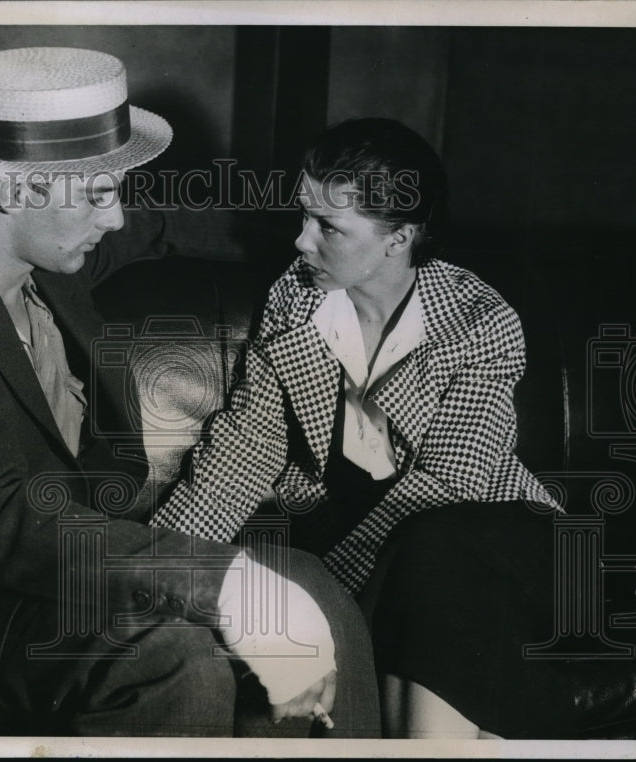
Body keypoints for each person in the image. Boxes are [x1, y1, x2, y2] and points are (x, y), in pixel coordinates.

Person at [0, 47, 380, 737]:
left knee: (315, 587)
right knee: (175, 654)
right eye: (100, 193)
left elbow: (165, 222)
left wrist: (345, 249)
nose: (113, 218)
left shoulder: (37, 254)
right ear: (20, 191)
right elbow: (3, 523)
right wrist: (227, 581)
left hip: (59, 579)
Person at [151, 117, 565, 737]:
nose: (300, 242)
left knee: (431, 552)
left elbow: (452, 482)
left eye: (328, 227)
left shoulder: (480, 320)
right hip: (395, 564)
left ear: (399, 237)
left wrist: (332, 597)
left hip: (496, 537)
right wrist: (155, 567)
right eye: (303, 216)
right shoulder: (295, 300)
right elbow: (244, 445)